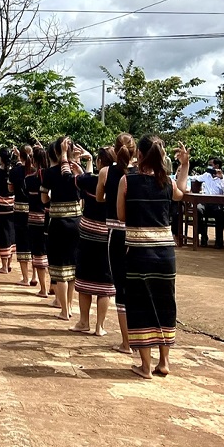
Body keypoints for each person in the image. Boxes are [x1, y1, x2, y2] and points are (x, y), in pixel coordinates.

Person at [118, 137, 190, 379]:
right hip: (165, 254)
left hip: (139, 252)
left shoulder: (127, 180)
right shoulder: (166, 182)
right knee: (165, 303)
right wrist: (185, 166)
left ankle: (145, 366)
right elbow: (181, 193)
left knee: (140, 304)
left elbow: (120, 215)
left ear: (139, 153)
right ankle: (164, 362)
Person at [97, 133, 137, 354]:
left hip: (115, 232)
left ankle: (126, 342)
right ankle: (140, 342)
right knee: (137, 287)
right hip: (138, 234)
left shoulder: (106, 172)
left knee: (120, 287)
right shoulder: (141, 174)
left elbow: (99, 198)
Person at [42, 137, 89, 321]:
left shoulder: (49, 173)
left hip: (58, 223)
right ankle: (69, 306)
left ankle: (64, 310)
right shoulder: (78, 172)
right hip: (77, 222)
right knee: (72, 269)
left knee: (59, 269)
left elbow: (44, 199)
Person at [73, 147, 116, 336]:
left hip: (89, 233)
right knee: (105, 282)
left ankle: (84, 321)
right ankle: (100, 326)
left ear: (100, 162)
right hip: (108, 235)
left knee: (85, 278)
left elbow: (79, 179)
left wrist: (86, 161)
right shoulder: (120, 182)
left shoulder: (91, 181)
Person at [25, 145, 50, 298]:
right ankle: (54, 285)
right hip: (49, 217)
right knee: (51, 252)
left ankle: (43, 288)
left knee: (38, 252)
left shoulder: (30, 179)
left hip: (34, 218)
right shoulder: (50, 176)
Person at [8, 145, 33, 286]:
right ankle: (35, 275)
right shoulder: (37, 171)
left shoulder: (15, 171)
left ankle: (25, 278)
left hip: (19, 210)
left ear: (20, 156)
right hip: (35, 211)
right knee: (34, 243)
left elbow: (10, 189)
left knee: (22, 243)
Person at [191, 160, 224, 247]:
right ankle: (204, 236)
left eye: (210, 165)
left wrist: (221, 178)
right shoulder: (206, 175)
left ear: (216, 166)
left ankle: (219, 241)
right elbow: (195, 178)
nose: (208, 167)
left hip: (216, 204)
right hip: (204, 203)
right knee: (197, 210)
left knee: (220, 217)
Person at [0, 147, 17, 275]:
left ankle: (4, 266)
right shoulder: (13, 171)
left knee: (2, 235)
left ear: (0, 158)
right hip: (12, 206)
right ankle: (10, 263)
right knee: (11, 234)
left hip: (1, 207)